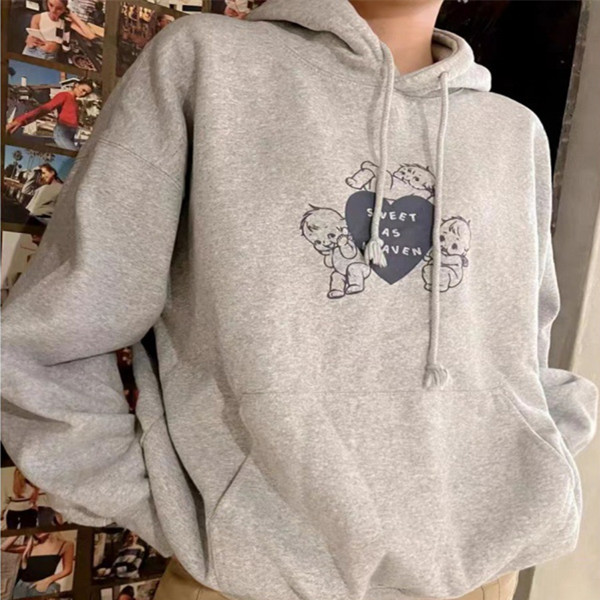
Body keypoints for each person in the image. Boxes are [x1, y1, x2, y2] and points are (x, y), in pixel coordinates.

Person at [1, 1, 598, 600]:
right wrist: (164, 510)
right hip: (255, 580)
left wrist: (541, 457)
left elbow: (522, 350)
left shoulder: (512, 131)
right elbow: (55, 334)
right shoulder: (208, 64)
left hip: (484, 576)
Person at [6, 79, 95, 151]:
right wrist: (21, 120)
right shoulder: (64, 95)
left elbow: (70, 117)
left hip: (72, 133)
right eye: (83, 90)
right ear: (76, 85)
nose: (83, 94)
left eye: (86, 93)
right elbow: (45, 108)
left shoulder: (75, 102)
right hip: (63, 132)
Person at [22, 0, 97, 61]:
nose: (53, 11)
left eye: (59, 8)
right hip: (34, 53)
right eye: (51, 5)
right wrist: (30, 39)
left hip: (51, 57)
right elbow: (32, 37)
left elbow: (91, 36)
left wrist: (73, 16)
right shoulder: (38, 17)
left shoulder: (65, 23)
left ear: (64, 9)